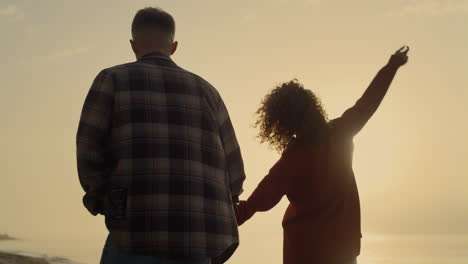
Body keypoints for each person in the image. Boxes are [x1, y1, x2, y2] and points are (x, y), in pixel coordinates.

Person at [76, 7, 246, 264]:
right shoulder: (208, 92)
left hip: (135, 232)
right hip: (199, 240)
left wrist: (104, 201)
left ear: (133, 44)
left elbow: (88, 151)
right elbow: (235, 172)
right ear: (174, 46)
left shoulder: (112, 79)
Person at [235, 46, 410, 264]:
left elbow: (256, 202)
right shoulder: (341, 132)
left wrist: (218, 217)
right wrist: (391, 66)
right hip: (343, 249)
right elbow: (368, 103)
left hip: (303, 252)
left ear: (281, 124)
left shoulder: (292, 159)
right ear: (313, 108)